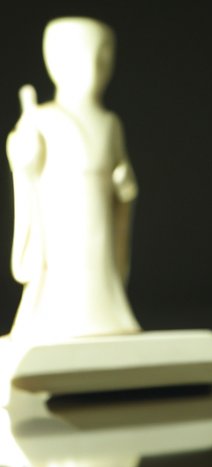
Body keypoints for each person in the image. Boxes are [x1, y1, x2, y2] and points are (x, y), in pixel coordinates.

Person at [5, 16, 141, 342]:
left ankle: (105, 318)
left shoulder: (110, 124)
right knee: (64, 274)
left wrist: (123, 184)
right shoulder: (43, 118)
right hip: (61, 214)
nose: (93, 69)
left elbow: (125, 184)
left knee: (96, 272)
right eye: (82, 58)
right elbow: (25, 165)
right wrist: (25, 157)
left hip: (100, 222)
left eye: (102, 59)